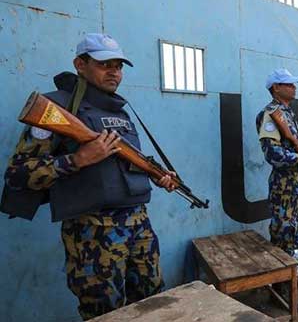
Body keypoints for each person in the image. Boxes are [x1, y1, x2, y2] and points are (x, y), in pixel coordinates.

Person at [1, 33, 176, 320]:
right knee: (103, 312)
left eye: (119, 66)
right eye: (105, 64)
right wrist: (78, 159)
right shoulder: (56, 109)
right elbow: (18, 174)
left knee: (152, 303)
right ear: (79, 64)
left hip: (138, 225)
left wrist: (156, 175)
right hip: (91, 231)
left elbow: (120, 165)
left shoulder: (120, 112)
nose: (114, 73)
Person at [257, 68, 298, 257]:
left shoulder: (287, 114)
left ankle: (291, 276)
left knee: (296, 235)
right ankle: (281, 283)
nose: (294, 87)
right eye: (288, 84)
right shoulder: (269, 115)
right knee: (283, 237)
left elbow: (297, 147)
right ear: (276, 87)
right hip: (285, 188)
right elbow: (273, 154)